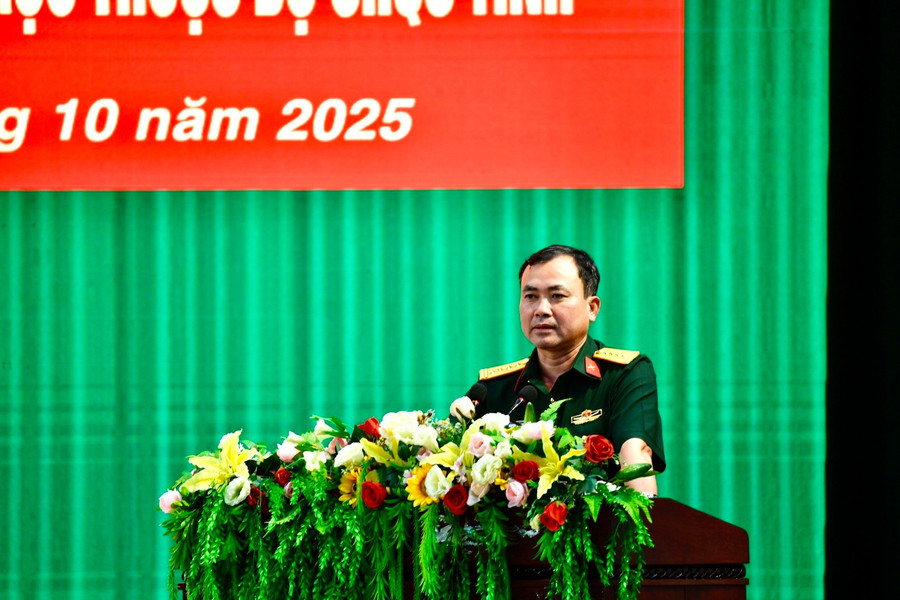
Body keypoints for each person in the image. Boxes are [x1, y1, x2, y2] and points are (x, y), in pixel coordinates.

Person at [472, 245, 665, 495]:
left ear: (592, 308)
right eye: (530, 296)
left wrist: (642, 512)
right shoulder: (492, 388)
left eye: (557, 296)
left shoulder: (624, 374)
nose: (541, 309)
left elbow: (635, 453)